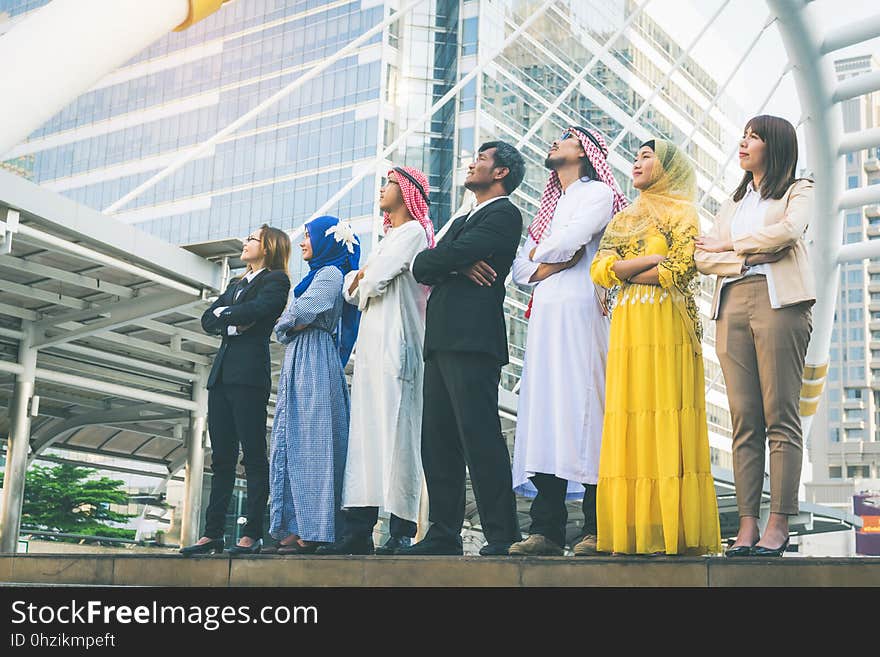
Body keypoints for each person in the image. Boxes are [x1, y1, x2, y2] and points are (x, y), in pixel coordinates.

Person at [589, 139, 721, 556]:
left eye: (648, 156)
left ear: (668, 168)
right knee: (630, 416)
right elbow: (599, 268)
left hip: (668, 327)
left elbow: (681, 266)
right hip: (629, 330)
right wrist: (641, 266)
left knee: (665, 412)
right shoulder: (625, 217)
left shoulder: (684, 213)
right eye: (637, 156)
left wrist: (624, 271)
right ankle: (635, 530)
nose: (638, 162)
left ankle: (673, 531)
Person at [397, 141, 526, 556]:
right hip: (441, 339)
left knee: (480, 436)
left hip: (473, 340)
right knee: (438, 440)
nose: (472, 163)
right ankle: (443, 533)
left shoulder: (504, 214)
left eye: (483, 159)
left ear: (501, 172)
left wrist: (449, 259)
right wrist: (455, 262)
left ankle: (502, 534)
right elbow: (422, 264)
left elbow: (443, 257)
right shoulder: (463, 217)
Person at [695, 115, 814, 558]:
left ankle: (779, 524)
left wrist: (727, 248)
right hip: (731, 303)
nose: (743, 142)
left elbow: (787, 233)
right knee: (744, 419)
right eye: (743, 135)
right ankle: (747, 525)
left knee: (780, 414)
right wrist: (745, 256)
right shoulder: (734, 201)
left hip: (781, 302)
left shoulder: (798, 189)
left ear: (775, 145)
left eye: (754, 136)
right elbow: (701, 257)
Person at [505, 126, 626, 557]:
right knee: (544, 415)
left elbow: (570, 242)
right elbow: (519, 271)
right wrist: (548, 264)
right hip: (545, 317)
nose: (554, 143)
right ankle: (546, 530)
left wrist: (543, 258)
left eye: (565, 138)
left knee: (585, 412)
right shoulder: (550, 204)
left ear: (585, 152)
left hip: (581, 312)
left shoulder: (597, 195)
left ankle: (596, 526)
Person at [316, 166, 434, 556]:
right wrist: (362, 279)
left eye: (390, 184)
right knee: (365, 439)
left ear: (408, 192)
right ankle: (358, 529)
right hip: (371, 350)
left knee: (400, 438)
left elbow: (371, 281)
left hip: (399, 348)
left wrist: (363, 278)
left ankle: (400, 529)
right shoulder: (387, 239)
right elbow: (353, 292)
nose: (383, 190)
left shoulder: (414, 233)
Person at [180, 224, 291, 556]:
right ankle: (212, 534)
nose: (245, 243)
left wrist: (224, 315)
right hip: (222, 377)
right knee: (222, 458)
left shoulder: (276, 280)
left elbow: (259, 311)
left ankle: (253, 533)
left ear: (269, 247)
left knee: (254, 455)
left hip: (249, 377)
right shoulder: (236, 283)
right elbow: (206, 319)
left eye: (252, 239)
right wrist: (231, 319)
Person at [267, 215, 360, 554]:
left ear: (325, 240)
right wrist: (290, 324)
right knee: (292, 440)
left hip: (315, 359)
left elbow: (300, 313)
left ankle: (316, 527)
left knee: (313, 442)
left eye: (308, 236)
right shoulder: (314, 276)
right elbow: (293, 318)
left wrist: (287, 324)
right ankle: (292, 525)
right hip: (300, 358)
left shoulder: (331, 274)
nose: (303, 242)